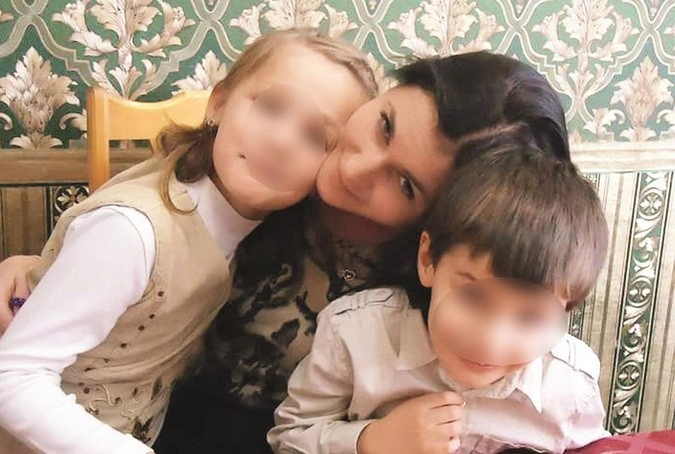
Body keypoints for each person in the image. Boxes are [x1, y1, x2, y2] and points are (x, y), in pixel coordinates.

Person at [0, 51, 572, 453]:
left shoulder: (438, 287)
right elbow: (146, 228)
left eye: (404, 184)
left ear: (437, 224)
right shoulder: (268, 166)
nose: (355, 168)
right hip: (159, 425)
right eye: (384, 125)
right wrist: (35, 265)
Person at [0, 29, 377, 454]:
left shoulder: (249, 224)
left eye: (314, 137)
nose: (282, 141)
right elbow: (13, 377)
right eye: (270, 106)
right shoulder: (133, 231)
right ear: (218, 104)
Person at [268, 130, 611, 453]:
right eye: (473, 297)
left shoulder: (570, 385)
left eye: (530, 317)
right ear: (428, 260)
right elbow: (290, 437)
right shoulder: (355, 335)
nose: (491, 340)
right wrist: (373, 440)